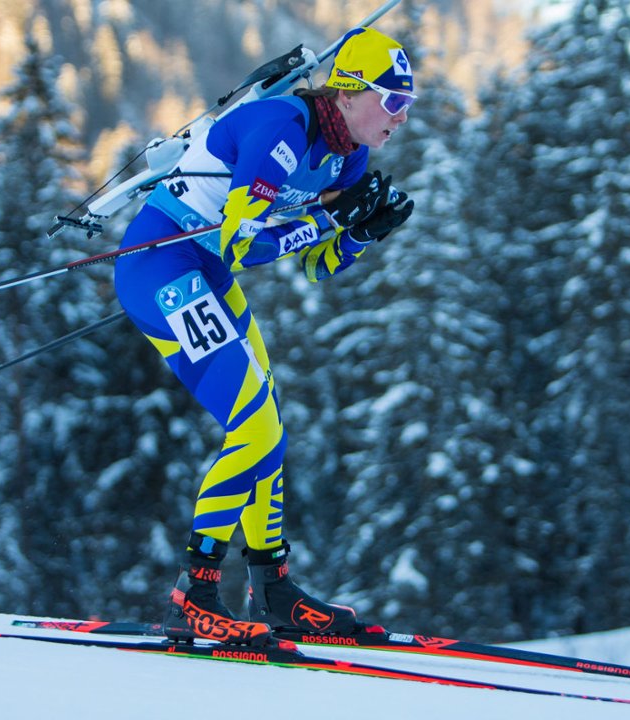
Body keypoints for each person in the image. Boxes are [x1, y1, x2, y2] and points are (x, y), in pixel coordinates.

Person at [113, 27, 417, 646]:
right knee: (254, 426)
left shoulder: (348, 156)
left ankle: (272, 588)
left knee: (269, 420)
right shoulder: (279, 126)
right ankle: (193, 593)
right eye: (392, 101)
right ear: (351, 90)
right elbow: (242, 243)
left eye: (408, 105)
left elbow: (316, 266)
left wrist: (362, 234)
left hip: (205, 272)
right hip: (160, 266)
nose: (401, 117)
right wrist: (331, 216)